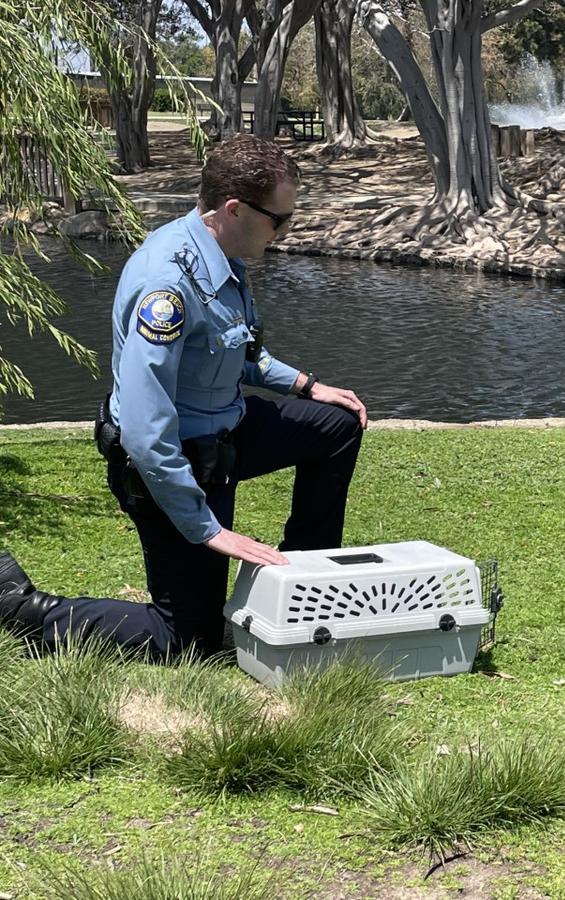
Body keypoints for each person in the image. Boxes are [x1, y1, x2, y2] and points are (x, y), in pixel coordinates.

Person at [0, 135, 368, 659]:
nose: (288, 230)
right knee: (186, 638)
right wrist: (208, 529)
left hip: (225, 431)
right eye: (279, 220)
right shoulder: (167, 285)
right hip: (172, 461)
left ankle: (300, 585)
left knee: (336, 425)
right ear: (234, 209)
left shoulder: (222, 251)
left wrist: (308, 386)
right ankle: (19, 606)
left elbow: (239, 349)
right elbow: (147, 433)